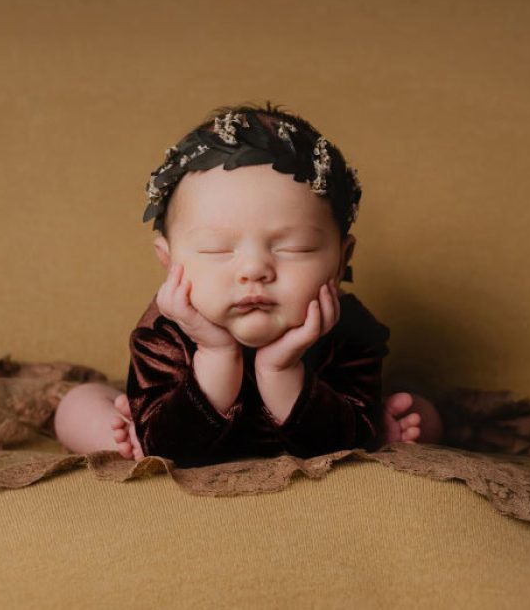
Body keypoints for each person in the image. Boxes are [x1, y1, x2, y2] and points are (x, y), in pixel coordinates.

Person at [54, 103, 442, 466]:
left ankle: (393, 424)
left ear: (341, 261)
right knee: (78, 404)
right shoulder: (165, 332)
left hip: (313, 433)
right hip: (179, 433)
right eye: (216, 249)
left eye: (295, 247)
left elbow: (339, 449)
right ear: (170, 263)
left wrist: (281, 368)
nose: (254, 269)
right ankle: (125, 440)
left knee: (422, 413)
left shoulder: (349, 332)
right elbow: (174, 450)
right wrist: (216, 353)